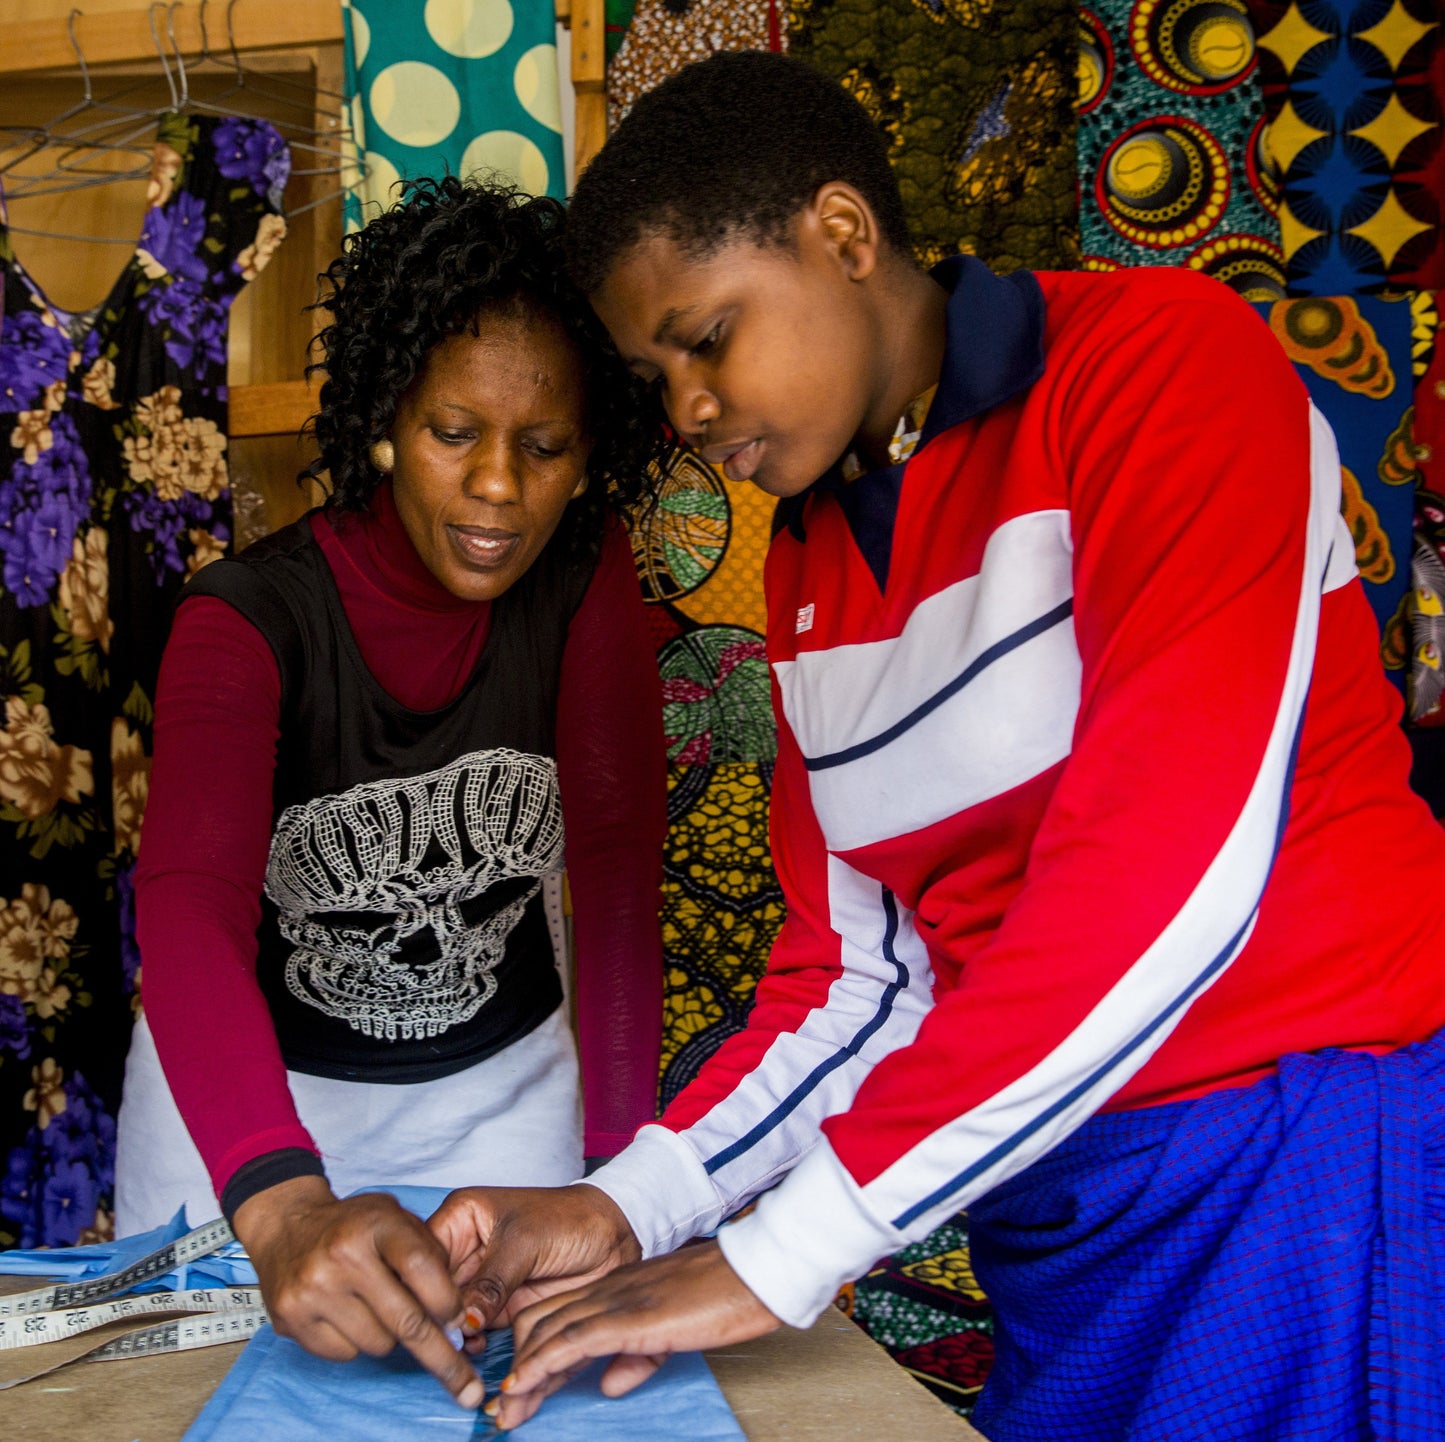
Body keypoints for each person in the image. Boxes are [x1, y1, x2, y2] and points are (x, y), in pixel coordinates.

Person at [408, 55, 1445, 1437]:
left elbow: (1165, 886)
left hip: (1293, 1177)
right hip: (1057, 1206)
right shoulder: (807, 564)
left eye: (705, 338)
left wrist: (779, 1252)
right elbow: (862, 980)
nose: (689, 412)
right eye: (657, 377)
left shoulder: (1161, 370)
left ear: (841, 233)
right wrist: (630, 1204)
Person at [113, 176, 667, 1406]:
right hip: (244, 1108)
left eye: (544, 446)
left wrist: (620, 1183)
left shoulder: (583, 575)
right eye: (452, 432)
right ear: (384, 420)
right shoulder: (244, 617)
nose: (497, 486)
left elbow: (619, 875)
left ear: (589, 453)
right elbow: (188, 910)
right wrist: (275, 1199)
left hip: (499, 1101)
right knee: (201, 1418)